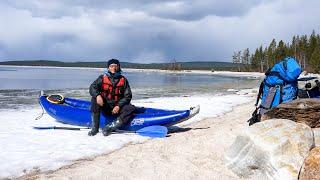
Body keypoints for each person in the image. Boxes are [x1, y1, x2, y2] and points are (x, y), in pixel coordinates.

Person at [88, 59, 136, 136]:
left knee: (130, 108)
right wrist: (97, 95)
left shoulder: (123, 80)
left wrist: (118, 106)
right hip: (105, 106)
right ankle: (95, 128)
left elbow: (128, 96)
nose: (113, 68)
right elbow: (92, 88)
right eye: (111, 66)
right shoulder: (102, 78)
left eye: (115, 66)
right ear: (108, 68)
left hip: (117, 107)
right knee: (94, 99)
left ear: (119, 67)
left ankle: (109, 127)